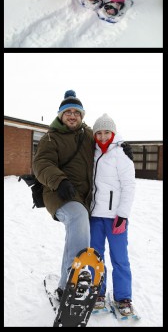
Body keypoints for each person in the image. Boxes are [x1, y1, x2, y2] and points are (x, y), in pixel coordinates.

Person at [32, 90, 95, 297]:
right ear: (60, 115)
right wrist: (59, 181)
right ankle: (73, 280)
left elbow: (107, 144)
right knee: (78, 216)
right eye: (67, 112)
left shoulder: (88, 135)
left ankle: (65, 283)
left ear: (81, 116)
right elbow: (41, 164)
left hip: (84, 196)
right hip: (59, 193)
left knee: (80, 230)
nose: (72, 115)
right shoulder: (51, 137)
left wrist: (122, 149)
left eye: (76, 112)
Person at [89, 114, 136, 315]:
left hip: (116, 217)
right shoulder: (91, 152)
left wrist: (123, 215)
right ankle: (98, 293)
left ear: (113, 133)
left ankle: (123, 297)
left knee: (120, 258)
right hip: (94, 216)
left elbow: (129, 186)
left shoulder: (121, 154)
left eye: (106, 132)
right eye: (98, 132)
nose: (102, 136)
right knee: (96, 257)